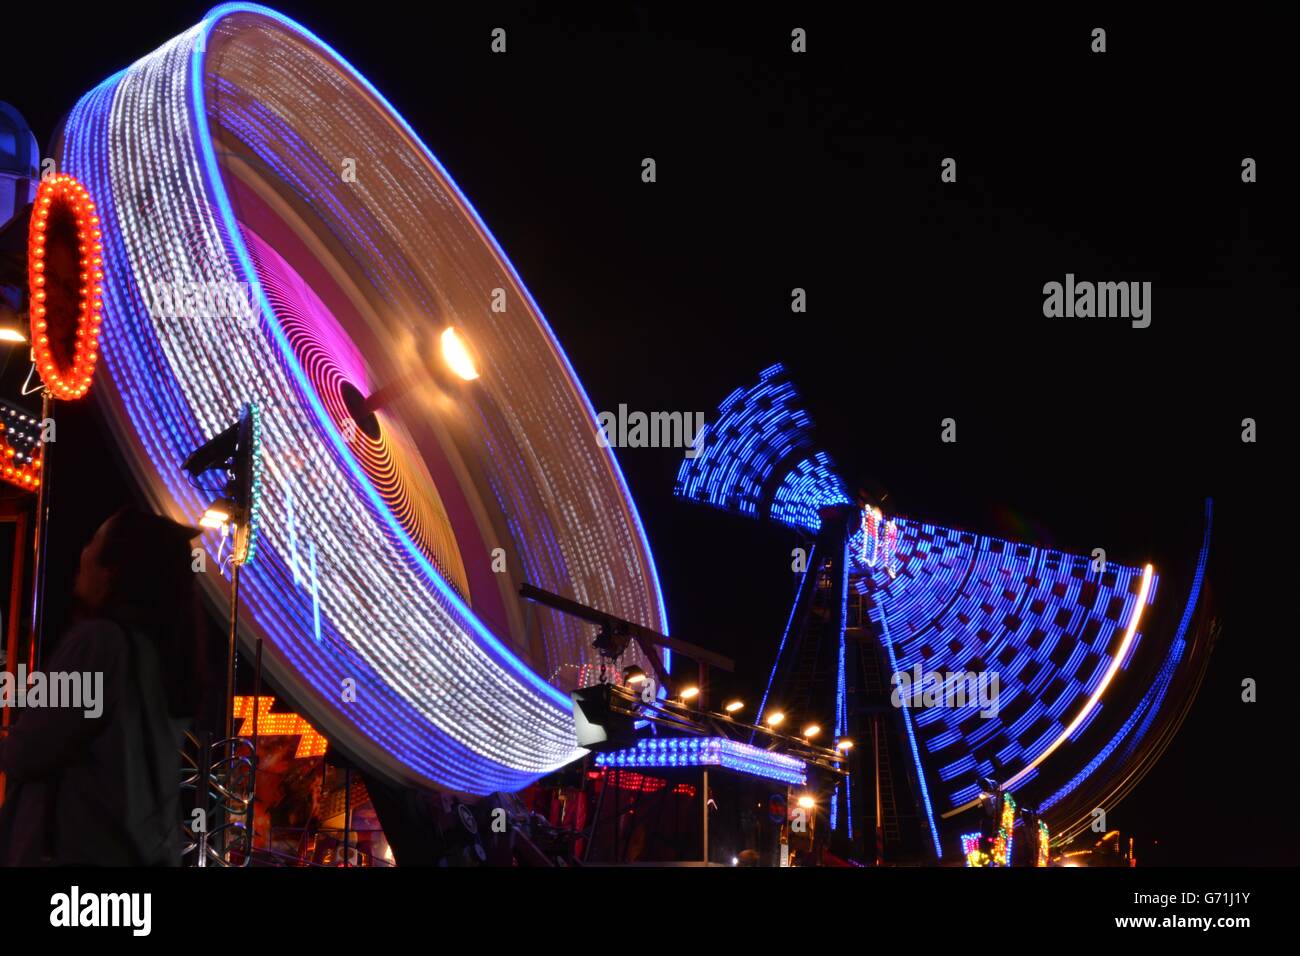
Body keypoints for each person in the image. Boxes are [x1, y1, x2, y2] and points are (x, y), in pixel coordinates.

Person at [0, 507, 203, 865]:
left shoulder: (97, 643)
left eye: (94, 541)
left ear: (113, 570)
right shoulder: (166, 655)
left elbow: (28, 749)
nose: (83, 552)